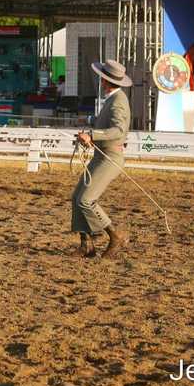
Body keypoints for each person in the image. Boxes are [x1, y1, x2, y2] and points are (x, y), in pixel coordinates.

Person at [71, 59, 132, 259]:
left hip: (110, 157)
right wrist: (89, 130)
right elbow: (106, 125)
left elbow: (118, 130)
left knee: (86, 200)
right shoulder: (113, 98)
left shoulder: (118, 101)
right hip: (101, 154)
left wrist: (93, 135)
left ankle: (116, 236)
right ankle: (86, 245)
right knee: (77, 197)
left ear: (105, 81)